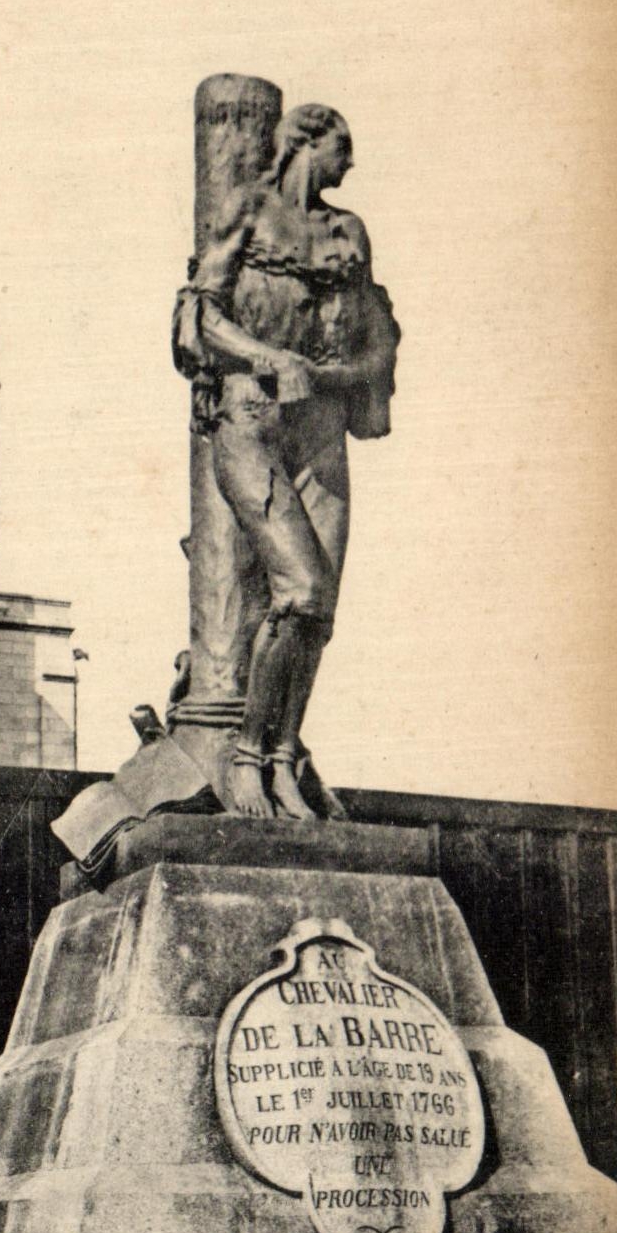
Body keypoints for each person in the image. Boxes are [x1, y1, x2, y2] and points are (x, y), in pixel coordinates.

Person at [173, 103, 399, 818]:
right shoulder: (249, 211)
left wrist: (337, 375)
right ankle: (244, 760)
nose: (350, 165)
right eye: (342, 148)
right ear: (305, 144)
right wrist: (271, 358)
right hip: (251, 423)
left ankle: (280, 761)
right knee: (297, 589)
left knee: (320, 610)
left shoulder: (348, 233)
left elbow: (377, 339)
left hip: (323, 432)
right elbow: (198, 315)